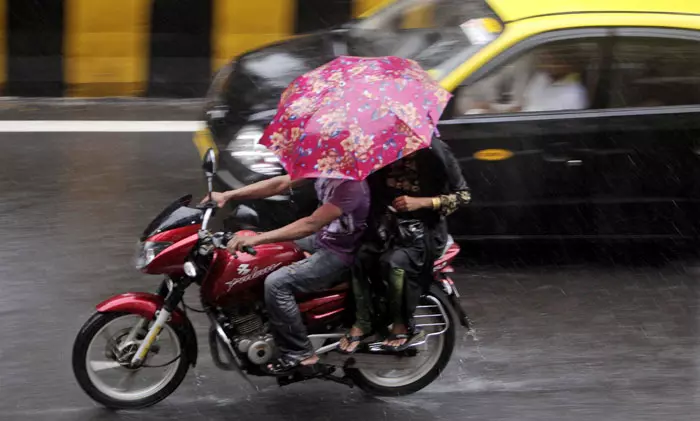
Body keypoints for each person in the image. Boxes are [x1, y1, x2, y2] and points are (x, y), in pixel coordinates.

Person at [207, 174, 370, 372]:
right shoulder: (326, 170)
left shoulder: (352, 186)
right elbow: (281, 183)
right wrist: (228, 195)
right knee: (264, 258)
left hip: (341, 253)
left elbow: (311, 224)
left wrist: (259, 239)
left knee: (277, 283)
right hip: (322, 239)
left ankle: (301, 353)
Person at [339, 136, 470, 353]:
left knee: (394, 263)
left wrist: (423, 202)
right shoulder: (377, 150)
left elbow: (463, 196)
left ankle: (403, 324)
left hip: (425, 231)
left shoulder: (434, 150)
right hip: (388, 230)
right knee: (359, 258)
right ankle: (363, 321)